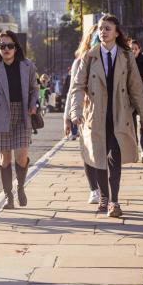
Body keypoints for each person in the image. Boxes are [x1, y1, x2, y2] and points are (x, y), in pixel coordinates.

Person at [70, 15, 143, 218]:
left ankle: (114, 201)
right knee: (98, 156)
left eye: (107, 28)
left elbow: (136, 87)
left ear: (116, 32)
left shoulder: (126, 55)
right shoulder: (90, 55)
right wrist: (75, 111)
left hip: (119, 112)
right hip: (96, 113)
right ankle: (104, 197)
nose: (102, 32)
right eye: (100, 29)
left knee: (115, 155)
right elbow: (78, 86)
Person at [0, 31, 39, 209]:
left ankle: (20, 187)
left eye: (10, 45)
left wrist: (33, 104)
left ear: (16, 47)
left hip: (23, 114)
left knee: (21, 155)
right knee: (5, 159)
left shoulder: (27, 66)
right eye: (2, 46)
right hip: (2, 116)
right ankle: (8, 196)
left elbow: (35, 89)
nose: (6, 49)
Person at [65, 24, 101, 204]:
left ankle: (103, 186)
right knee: (88, 150)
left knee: (103, 150)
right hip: (85, 113)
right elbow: (73, 90)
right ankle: (94, 189)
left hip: (104, 111)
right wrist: (67, 117)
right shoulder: (79, 62)